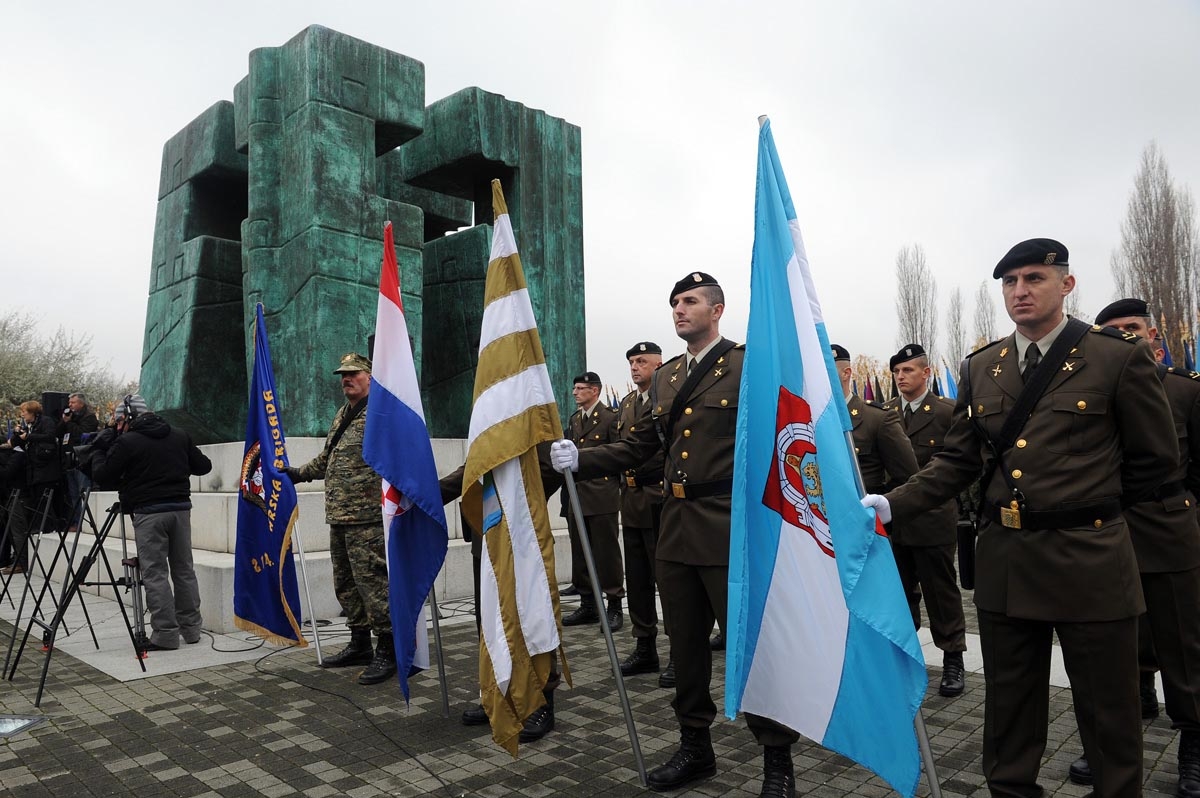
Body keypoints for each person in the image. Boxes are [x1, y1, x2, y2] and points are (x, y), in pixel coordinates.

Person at [862, 239, 1178, 798]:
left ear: (1066, 284)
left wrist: (1088, 506)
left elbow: (1155, 458)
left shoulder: (1115, 357)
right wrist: (894, 503)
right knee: (1009, 710)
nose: (1020, 291)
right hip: (1007, 560)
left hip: (1091, 558)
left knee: (1108, 712)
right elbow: (958, 460)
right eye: (1010, 282)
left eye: (1034, 278)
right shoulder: (982, 367)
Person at [552, 273, 800, 798]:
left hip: (729, 526)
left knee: (750, 646)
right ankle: (695, 747)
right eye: (674, 303)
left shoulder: (746, 364)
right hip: (676, 526)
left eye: (690, 301)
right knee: (684, 645)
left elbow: (777, 438)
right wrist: (582, 459)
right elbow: (639, 445)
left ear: (717, 309)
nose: (679, 310)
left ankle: (777, 759)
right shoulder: (666, 378)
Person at [1063, 299, 1200, 797]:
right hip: (1104, 532)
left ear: (1153, 335)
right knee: (1108, 647)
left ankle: (1193, 743)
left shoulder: (1185, 391)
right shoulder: (1089, 388)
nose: (1125, 337)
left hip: (1167, 532)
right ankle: (1115, 734)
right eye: (1113, 331)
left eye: (1133, 328)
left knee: (1183, 646)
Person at [439, 441, 564, 741]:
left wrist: (517, 496)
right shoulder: (487, 425)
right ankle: (497, 696)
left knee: (530, 621)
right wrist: (428, 493)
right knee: (490, 624)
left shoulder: (530, 421)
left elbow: (550, 470)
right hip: (486, 536)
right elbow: (473, 470)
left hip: (522, 538)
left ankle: (540, 702)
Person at [285, 353, 394, 685]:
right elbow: (328, 459)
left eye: (353, 373)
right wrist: (297, 474)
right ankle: (360, 644)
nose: (346, 379)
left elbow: (398, 459)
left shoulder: (382, 414)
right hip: (340, 516)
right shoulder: (342, 414)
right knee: (346, 585)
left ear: (370, 377)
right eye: (343, 375)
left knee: (373, 585)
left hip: (368, 519)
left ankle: (388, 649)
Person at [881, 344, 969, 697]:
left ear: (926, 373)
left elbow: (960, 466)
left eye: (908, 370)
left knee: (941, 594)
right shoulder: (885, 413)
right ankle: (904, 658)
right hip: (894, 522)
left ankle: (953, 660)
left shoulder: (947, 412)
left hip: (933, 521)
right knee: (899, 596)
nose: (901, 377)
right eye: (896, 372)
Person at [90, 394, 210, 650]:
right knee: (184, 570)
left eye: (118, 421)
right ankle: (191, 630)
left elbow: (103, 475)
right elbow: (203, 467)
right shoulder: (179, 434)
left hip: (149, 512)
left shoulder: (128, 441)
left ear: (128, 417)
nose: (117, 426)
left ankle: (166, 635)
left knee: (155, 574)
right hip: (180, 510)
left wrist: (99, 450)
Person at [614, 342, 670, 683]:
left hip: (660, 497)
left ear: (658, 365)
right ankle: (645, 647)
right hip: (632, 500)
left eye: (642, 361)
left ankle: (679, 652)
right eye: (632, 362)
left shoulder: (668, 399)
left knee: (668, 580)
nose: (635, 367)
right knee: (636, 580)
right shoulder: (627, 404)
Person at [560, 371, 625, 632]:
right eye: (574, 388)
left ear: (594, 391)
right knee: (579, 551)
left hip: (602, 495)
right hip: (578, 495)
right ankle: (588, 604)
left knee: (606, 553)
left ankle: (614, 606)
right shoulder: (576, 419)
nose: (574, 392)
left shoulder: (610, 418)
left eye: (580, 388)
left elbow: (619, 455)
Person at [1, 401, 60, 576]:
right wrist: (19, 434)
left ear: (33, 412)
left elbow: (50, 437)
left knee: (45, 500)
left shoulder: (46, 421)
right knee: (38, 502)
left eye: (24, 412)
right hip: (34, 472)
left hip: (46, 471)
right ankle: (42, 527)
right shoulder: (28, 426)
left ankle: (49, 526)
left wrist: (29, 436)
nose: (22, 415)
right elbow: (14, 443)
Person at [58, 392, 99, 532]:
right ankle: (77, 522)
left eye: (73, 402)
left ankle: (86, 522)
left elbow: (81, 434)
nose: (70, 405)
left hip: (82, 460)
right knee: (73, 494)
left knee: (83, 492)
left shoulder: (89, 417)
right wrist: (64, 421)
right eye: (69, 403)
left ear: (81, 403)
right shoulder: (70, 417)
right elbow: (57, 433)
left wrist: (70, 423)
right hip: (69, 460)